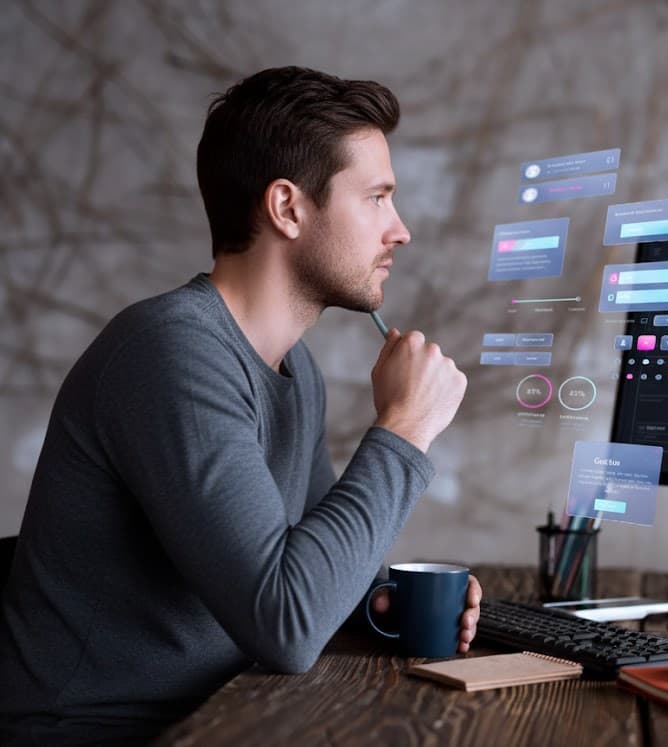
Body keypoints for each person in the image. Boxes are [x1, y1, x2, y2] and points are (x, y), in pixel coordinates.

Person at [0, 66, 480, 745]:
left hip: (227, 714)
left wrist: (382, 600)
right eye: (376, 198)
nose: (399, 230)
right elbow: (287, 622)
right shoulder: (171, 353)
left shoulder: (295, 369)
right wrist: (403, 429)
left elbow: (311, 564)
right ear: (287, 207)